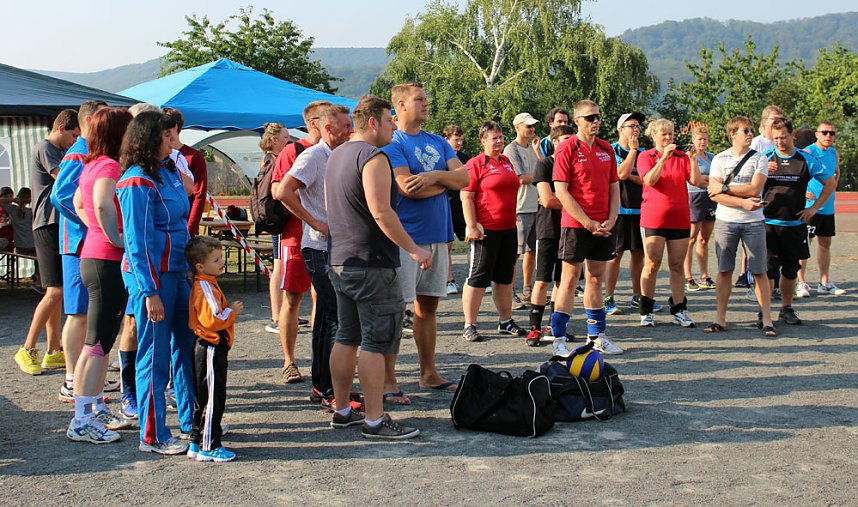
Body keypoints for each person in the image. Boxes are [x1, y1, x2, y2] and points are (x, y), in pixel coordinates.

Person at [325, 94, 428, 439]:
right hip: (371, 263)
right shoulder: (373, 157)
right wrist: (413, 250)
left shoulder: (336, 155)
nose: (394, 126)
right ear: (372, 122)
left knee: (346, 335)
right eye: (389, 120)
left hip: (339, 259)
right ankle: (374, 419)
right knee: (374, 342)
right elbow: (382, 212)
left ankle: (342, 410)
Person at [383, 82, 468, 400]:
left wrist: (433, 177)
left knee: (428, 308)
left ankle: (428, 373)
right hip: (406, 239)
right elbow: (407, 187)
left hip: (438, 235)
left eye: (426, 98)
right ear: (401, 105)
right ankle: (389, 381)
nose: (426, 103)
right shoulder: (393, 142)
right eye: (419, 99)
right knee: (395, 308)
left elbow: (465, 179)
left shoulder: (437, 142)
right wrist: (445, 180)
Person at [117, 110, 194, 455]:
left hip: (178, 272)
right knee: (154, 355)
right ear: (150, 138)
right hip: (154, 278)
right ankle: (152, 434)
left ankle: (192, 422)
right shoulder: (136, 181)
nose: (172, 139)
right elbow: (137, 241)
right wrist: (149, 292)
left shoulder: (170, 171)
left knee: (184, 347)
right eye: (166, 135)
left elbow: (182, 218)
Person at [276, 105, 354, 408]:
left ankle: (322, 387)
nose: (350, 130)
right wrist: (315, 222)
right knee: (334, 316)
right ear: (327, 128)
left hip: (338, 246)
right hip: (318, 247)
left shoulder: (342, 154)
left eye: (350, 125)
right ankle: (330, 390)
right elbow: (283, 191)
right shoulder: (312, 155)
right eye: (345, 126)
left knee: (326, 317)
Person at [66, 107, 133, 443]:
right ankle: (81, 419)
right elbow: (103, 204)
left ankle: (92, 407)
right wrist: (115, 237)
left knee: (100, 341)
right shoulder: (108, 165)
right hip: (105, 259)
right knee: (96, 342)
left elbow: (79, 201)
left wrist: (97, 229)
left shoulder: (91, 164)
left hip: (94, 255)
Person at [49, 100, 121, 405]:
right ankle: (71, 379)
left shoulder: (92, 154)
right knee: (79, 313)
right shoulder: (79, 153)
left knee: (90, 318)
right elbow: (62, 195)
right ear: (92, 120)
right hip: (80, 243)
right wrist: (94, 224)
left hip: (87, 242)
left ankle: (85, 379)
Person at [549, 100, 622, 357]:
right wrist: (587, 222)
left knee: (595, 279)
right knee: (569, 279)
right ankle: (558, 338)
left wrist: (612, 218)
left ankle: (597, 336)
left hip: (604, 223)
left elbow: (615, 187)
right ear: (577, 121)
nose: (595, 122)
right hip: (577, 223)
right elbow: (561, 191)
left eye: (598, 117)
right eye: (590, 118)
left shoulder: (606, 149)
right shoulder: (567, 149)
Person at [13, 109, 79, 376]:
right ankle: (27, 348)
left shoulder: (59, 149)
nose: (75, 141)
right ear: (62, 128)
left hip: (57, 224)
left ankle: (53, 350)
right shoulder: (46, 147)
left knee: (58, 290)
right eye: (74, 135)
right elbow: (63, 179)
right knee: (53, 291)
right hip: (46, 224)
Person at [272, 100, 331, 384]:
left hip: (329, 240)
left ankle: (322, 358)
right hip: (297, 237)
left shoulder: (337, 151)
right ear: (312, 123)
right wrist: (312, 219)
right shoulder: (293, 150)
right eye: (325, 118)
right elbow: (277, 190)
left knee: (325, 298)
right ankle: (289, 360)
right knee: (293, 299)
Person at [761, 118, 835, 326]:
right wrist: (763, 171)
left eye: (783, 137)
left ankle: (786, 308)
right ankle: (764, 311)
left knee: (791, 270)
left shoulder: (806, 160)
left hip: (794, 225)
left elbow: (830, 183)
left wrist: (814, 208)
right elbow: (749, 184)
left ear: (792, 135)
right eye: (775, 138)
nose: (779, 142)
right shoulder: (765, 158)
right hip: (768, 223)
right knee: (766, 269)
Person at [705, 116, 775, 336]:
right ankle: (720, 319)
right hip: (726, 221)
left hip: (753, 222)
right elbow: (714, 196)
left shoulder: (759, 158)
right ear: (732, 133)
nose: (750, 134)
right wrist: (741, 202)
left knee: (759, 271)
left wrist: (725, 188)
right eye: (745, 130)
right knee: (724, 270)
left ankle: (767, 319)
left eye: (751, 130)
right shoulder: (720, 159)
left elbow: (755, 189)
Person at [460, 121, 527, 342]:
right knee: (478, 278)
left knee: (504, 278)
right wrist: (471, 225)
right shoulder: (475, 164)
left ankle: (505, 320)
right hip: (485, 230)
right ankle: (470, 324)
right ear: (483, 141)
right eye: (493, 138)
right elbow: (466, 196)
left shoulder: (507, 162)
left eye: (500, 137)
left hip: (509, 227)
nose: (498, 141)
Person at [637, 119, 703, 328]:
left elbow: (696, 181)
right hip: (654, 218)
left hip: (680, 217)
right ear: (654, 135)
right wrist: (663, 158)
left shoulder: (681, 157)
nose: (668, 138)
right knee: (652, 264)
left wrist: (692, 160)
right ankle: (646, 309)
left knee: (677, 265)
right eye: (664, 134)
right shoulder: (646, 156)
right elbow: (649, 180)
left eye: (671, 135)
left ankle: (679, 308)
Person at [185, 236, 243, 462]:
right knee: (212, 397)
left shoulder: (207, 283)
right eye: (216, 260)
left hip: (211, 347)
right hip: (210, 346)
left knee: (205, 396)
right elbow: (212, 319)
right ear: (200, 266)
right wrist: (231, 311)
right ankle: (210, 445)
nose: (221, 263)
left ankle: (195, 441)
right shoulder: (204, 286)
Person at [604, 112, 661, 316]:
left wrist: (640, 175)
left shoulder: (646, 153)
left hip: (641, 209)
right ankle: (608, 297)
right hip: (618, 210)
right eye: (631, 126)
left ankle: (638, 296)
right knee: (615, 255)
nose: (635, 129)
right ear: (621, 129)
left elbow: (649, 179)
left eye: (637, 125)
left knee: (639, 254)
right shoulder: (612, 149)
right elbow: (622, 173)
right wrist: (633, 153)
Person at [525, 125, 575, 346]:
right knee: (542, 280)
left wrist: (564, 199)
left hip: (571, 228)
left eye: (571, 139)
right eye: (564, 139)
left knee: (562, 281)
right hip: (547, 228)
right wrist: (572, 202)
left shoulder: (574, 165)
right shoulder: (545, 164)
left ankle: (554, 327)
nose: (568, 143)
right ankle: (534, 329)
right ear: (554, 142)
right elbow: (547, 200)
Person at [797, 122, 845, 297]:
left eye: (832, 133)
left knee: (825, 244)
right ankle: (801, 283)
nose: (828, 136)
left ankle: (824, 282)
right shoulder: (808, 152)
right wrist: (804, 192)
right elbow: (799, 175)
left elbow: (836, 172)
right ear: (817, 134)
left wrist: (833, 187)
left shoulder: (833, 153)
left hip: (827, 206)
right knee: (804, 244)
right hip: (810, 207)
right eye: (824, 132)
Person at [504, 112, 540, 308]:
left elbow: (541, 170)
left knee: (532, 250)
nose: (531, 129)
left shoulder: (534, 148)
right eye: (528, 126)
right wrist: (540, 176)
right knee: (515, 253)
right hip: (520, 206)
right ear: (517, 127)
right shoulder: (511, 149)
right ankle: (509, 292)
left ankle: (527, 289)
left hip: (536, 205)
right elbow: (521, 177)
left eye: (533, 126)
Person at [257, 123, 290, 333]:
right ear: (275, 140)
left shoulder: (270, 159)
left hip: (278, 220)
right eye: (286, 138)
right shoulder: (272, 161)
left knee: (283, 267)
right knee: (278, 267)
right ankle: (276, 316)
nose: (289, 141)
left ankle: (284, 313)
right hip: (278, 221)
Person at [162, 107, 208, 237]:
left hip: (185, 228)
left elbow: (199, 194)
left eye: (165, 129)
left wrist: (191, 228)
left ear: (175, 127)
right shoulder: (156, 156)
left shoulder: (193, 157)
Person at [684, 125, 717, 291]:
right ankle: (688, 276)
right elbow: (694, 180)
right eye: (699, 139)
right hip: (694, 197)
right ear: (693, 140)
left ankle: (704, 276)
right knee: (691, 238)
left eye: (705, 139)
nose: (702, 142)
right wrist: (707, 180)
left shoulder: (713, 157)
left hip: (710, 198)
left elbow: (719, 178)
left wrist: (707, 179)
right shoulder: (690, 157)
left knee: (704, 239)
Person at [442, 124, 470, 295]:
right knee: (447, 245)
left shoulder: (465, 158)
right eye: (455, 139)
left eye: (460, 139)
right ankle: (449, 280)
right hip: (446, 205)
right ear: (447, 140)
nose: (459, 142)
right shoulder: (441, 158)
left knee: (471, 243)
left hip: (463, 205)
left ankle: (473, 278)